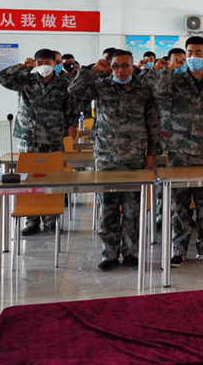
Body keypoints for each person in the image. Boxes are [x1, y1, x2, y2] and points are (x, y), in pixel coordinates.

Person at [68, 50, 160, 271]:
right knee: (107, 209)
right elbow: (74, 89)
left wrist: (152, 154)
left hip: (134, 158)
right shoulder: (100, 86)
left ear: (133, 66)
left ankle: (131, 253)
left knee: (132, 210)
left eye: (125, 65)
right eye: (116, 66)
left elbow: (153, 123)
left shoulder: (144, 90)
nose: (121, 70)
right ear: (110, 67)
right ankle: (109, 253)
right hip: (106, 157)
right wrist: (92, 70)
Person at [155, 37, 203, 268]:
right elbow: (158, 93)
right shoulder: (174, 79)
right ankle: (179, 250)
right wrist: (169, 69)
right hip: (180, 151)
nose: (193, 57)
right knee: (179, 206)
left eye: (197, 53)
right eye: (189, 53)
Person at [0, 48, 77, 236]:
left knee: (53, 178)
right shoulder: (25, 80)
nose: (44, 66)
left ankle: (51, 220)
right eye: (39, 63)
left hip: (53, 136)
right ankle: (31, 220)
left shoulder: (64, 84)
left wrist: (72, 124)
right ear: (35, 63)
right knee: (28, 178)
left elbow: (71, 107)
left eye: (47, 62)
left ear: (54, 64)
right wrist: (22, 67)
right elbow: (2, 78)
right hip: (28, 136)